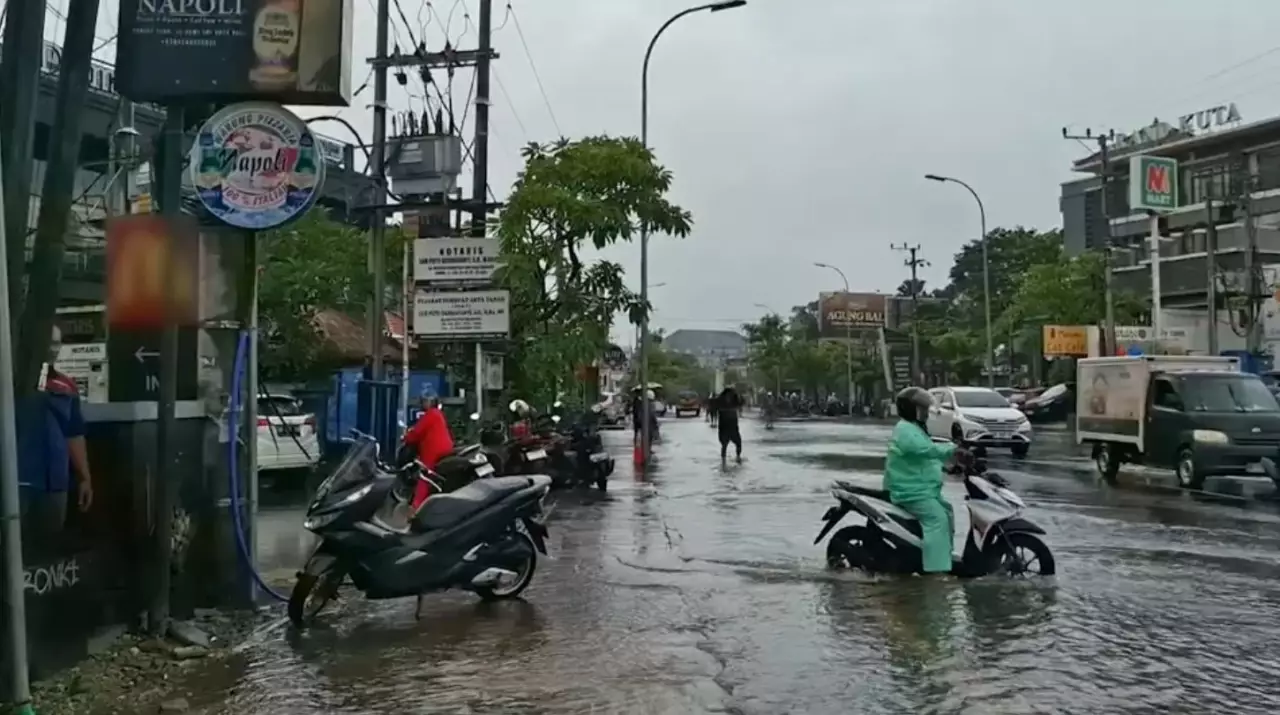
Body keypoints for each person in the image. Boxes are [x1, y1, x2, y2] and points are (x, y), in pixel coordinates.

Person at [18, 326, 93, 554]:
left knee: (48, 549)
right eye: (49, 342)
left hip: (55, 483)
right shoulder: (14, 382)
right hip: (19, 483)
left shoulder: (66, 387)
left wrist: (84, 477)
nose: (53, 349)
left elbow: (75, 434)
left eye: (57, 343)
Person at [882, 386, 957, 575]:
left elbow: (924, 458)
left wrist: (950, 466)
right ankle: (936, 571)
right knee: (937, 519)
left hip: (923, 490)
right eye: (922, 409)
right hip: (910, 492)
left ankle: (943, 556)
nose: (926, 413)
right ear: (911, 409)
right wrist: (953, 450)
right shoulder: (905, 429)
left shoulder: (915, 429)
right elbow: (924, 450)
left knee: (947, 512)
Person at [403, 392, 454, 509]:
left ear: (431, 402)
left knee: (424, 475)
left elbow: (417, 432)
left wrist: (406, 438)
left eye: (425, 401)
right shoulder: (437, 413)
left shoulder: (431, 414)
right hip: (443, 447)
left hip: (434, 449)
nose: (423, 403)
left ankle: (416, 505)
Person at [716, 385, 743, 463]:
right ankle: (723, 460)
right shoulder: (720, 400)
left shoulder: (735, 399)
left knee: (738, 443)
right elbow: (714, 406)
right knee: (724, 444)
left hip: (733, 425)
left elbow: (741, 403)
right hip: (724, 425)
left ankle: (738, 456)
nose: (730, 395)